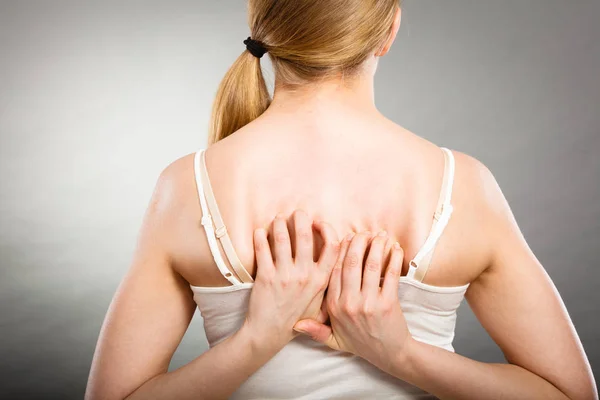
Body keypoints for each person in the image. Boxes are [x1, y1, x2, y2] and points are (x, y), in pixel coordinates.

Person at [85, 1, 597, 399]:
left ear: (267, 31)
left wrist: (258, 341)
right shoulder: (462, 186)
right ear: (389, 30)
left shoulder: (186, 187)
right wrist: (400, 355)